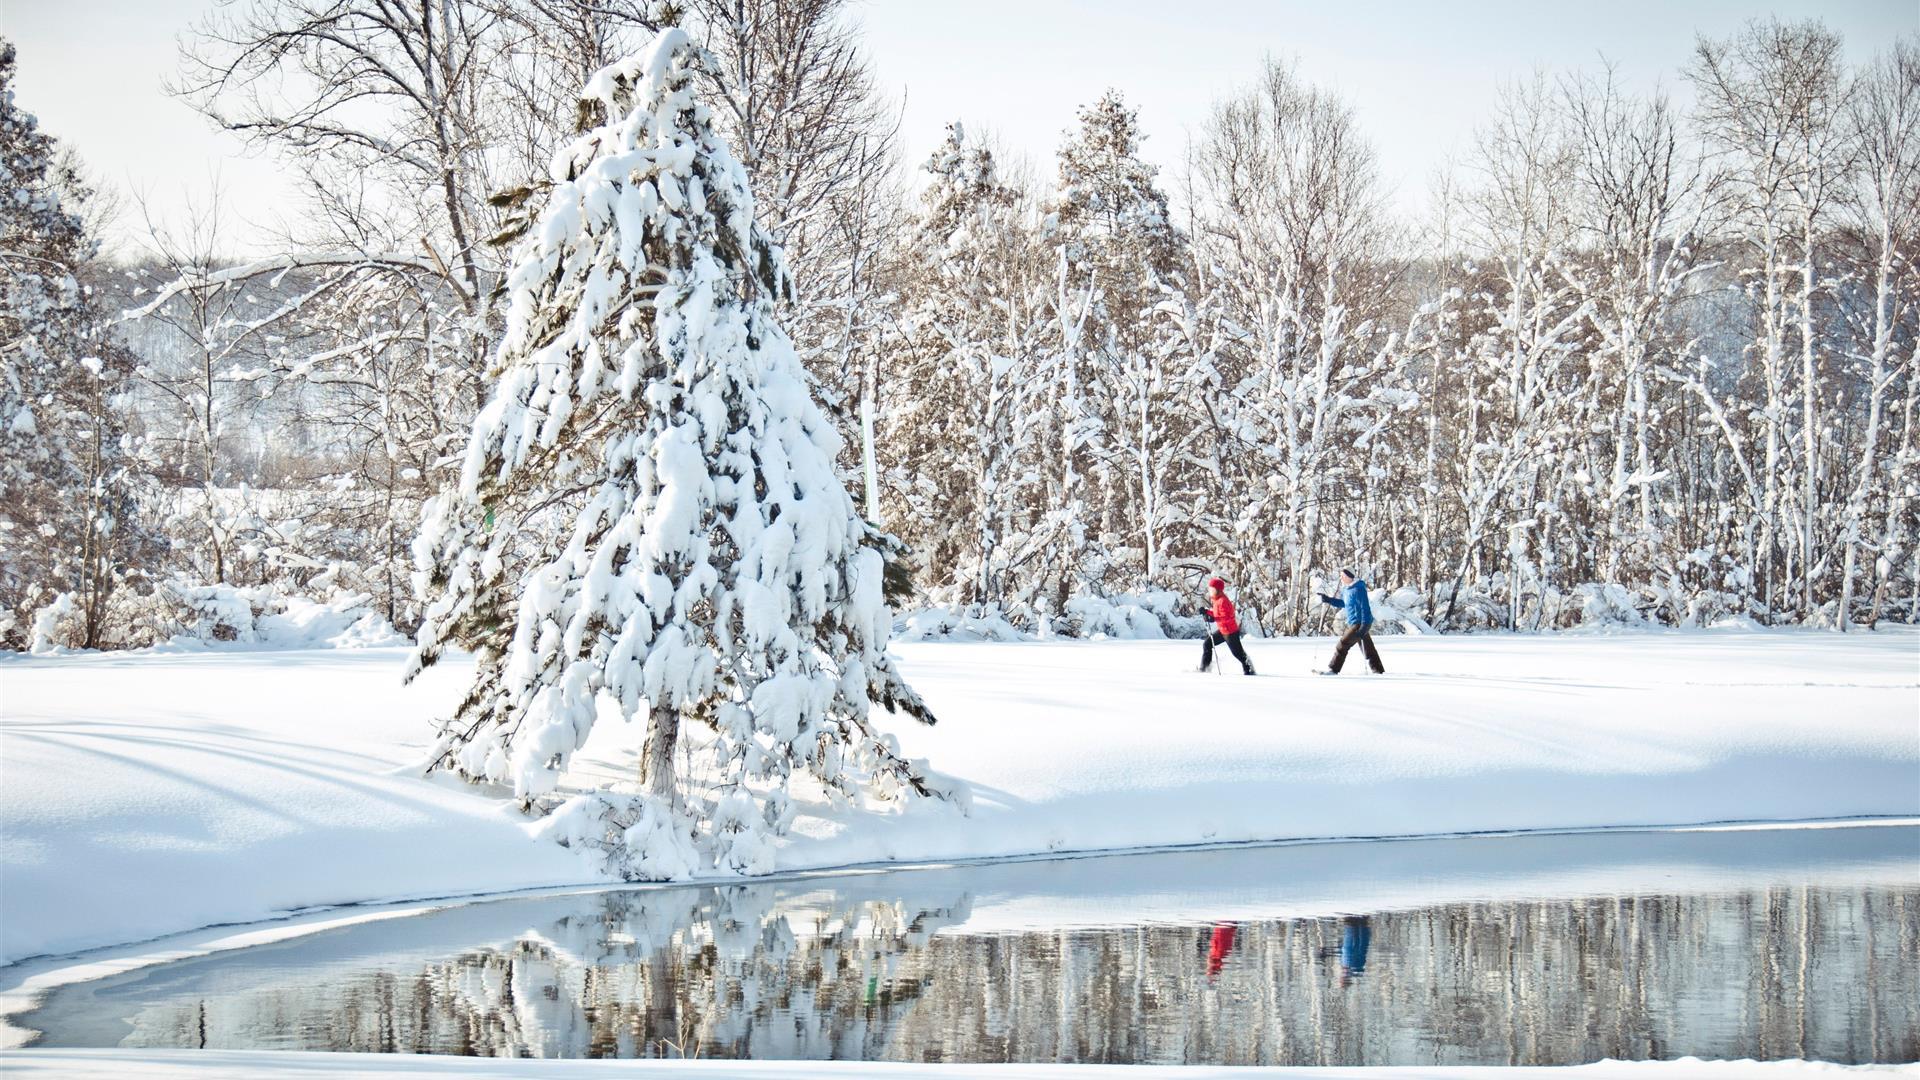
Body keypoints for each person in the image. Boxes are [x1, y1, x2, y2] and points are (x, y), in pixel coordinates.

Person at [1317, 568, 1384, 674]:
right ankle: (1379, 671)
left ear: (1349, 576)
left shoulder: (1359, 589)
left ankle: (1333, 670)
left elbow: (1364, 607)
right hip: (1354, 622)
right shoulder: (1346, 590)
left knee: (1342, 644)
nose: (1341, 578)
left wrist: (1364, 625)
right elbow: (1344, 603)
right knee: (1368, 649)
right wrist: (1329, 600)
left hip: (1359, 623)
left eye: (1343, 576)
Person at [1200, 577, 1255, 675]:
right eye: (1210, 589)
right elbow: (1218, 614)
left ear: (1218, 590)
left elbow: (1227, 617)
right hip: (1223, 631)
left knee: (1238, 654)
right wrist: (1206, 612)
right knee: (1207, 644)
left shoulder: (1223, 601)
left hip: (1230, 632)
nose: (1210, 591)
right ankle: (1204, 668)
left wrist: (1212, 618)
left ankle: (1249, 671)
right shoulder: (1217, 600)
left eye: (1212, 589)